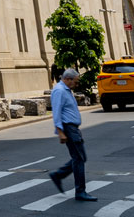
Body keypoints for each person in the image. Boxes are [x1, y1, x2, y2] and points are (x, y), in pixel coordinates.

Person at [49, 68, 95, 201]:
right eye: (75, 81)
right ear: (68, 79)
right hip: (68, 128)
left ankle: (59, 175)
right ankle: (80, 191)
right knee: (79, 159)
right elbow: (56, 112)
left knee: (79, 158)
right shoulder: (59, 91)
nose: (76, 84)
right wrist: (60, 132)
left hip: (73, 128)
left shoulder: (66, 90)